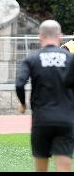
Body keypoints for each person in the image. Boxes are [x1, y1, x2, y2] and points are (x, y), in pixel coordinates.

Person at [16, 20, 74, 172]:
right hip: (65, 119)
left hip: (41, 120)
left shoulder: (32, 59)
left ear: (40, 36)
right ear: (60, 36)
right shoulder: (70, 59)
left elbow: (19, 84)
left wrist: (23, 104)